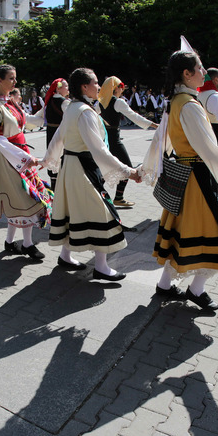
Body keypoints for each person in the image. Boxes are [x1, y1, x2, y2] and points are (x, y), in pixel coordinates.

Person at [141, 50, 218, 311]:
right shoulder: (189, 105)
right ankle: (196, 290)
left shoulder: (176, 101)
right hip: (196, 179)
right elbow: (210, 150)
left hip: (185, 177)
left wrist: (146, 168)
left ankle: (165, 285)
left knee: (181, 234)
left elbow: (161, 139)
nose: (204, 73)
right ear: (187, 73)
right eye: (200, 68)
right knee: (217, 238)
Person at [43, 68, 143, 280]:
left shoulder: (72, 107)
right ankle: (101, 266)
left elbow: (58, 138)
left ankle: (65, 256)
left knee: (73, 212)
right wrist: (129, 172)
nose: (99, 86)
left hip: (70, 166)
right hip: (82, 168)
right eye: (95, 82)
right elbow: (99, 150)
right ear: (84, 87)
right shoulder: (84, 112)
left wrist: (47, 159)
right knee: (102, 213)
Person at [0, 64, 53, 259]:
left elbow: (26, 121)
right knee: (25, 199)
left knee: (19, 201)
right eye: (11, 78)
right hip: (9, 159)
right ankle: (28, 245)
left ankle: (9, 242)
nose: (15, 82)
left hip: (18, 155)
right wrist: (25, 158)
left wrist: (50, 107)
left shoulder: (9, 102)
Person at [97, 75, 158, 208]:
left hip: (104, 141)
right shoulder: (118, 102)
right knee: (127, 167)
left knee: (105, 169)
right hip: (114, 141)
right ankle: (117, 197)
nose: (122, 91)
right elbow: (135, 117)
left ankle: (100, 196)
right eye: (121, 88)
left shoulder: (100, 102)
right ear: (116, 88)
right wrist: (154, 125)